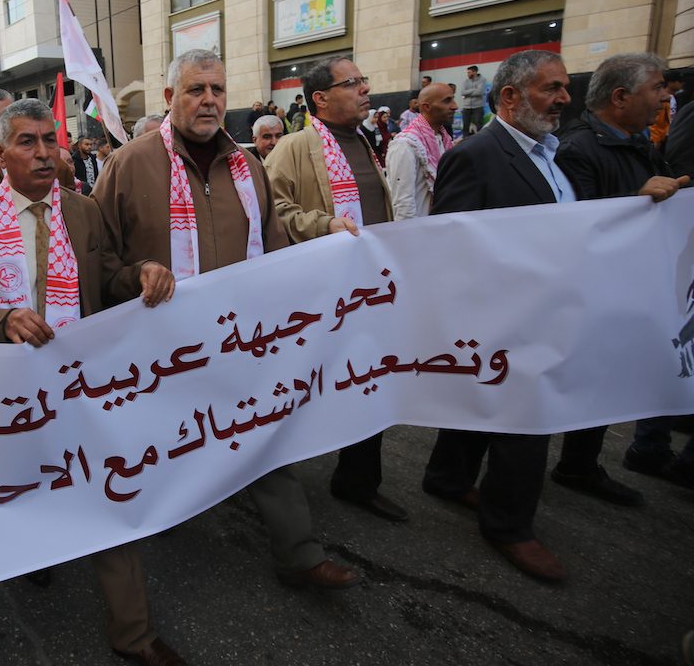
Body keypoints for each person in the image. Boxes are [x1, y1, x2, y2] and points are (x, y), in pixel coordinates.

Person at [95, 49, 360, 589]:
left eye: (217, 89)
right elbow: (96, 256)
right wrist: (136, 273)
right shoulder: (130, 164)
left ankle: (299, 554)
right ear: (170, 98)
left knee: (268, 438)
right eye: (196, 90)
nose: (209, 100)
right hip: (161, 350)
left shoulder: (249, 166)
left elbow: (277, 246)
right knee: (168, 443)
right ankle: (168, 509)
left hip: (243, 342)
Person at [0, 99, 183, 666]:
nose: (45, 152)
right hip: (8, 398)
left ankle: (134, 634)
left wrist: (141, 273)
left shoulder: (84, 212)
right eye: (27, 141)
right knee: (30, 493)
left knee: (111, 497)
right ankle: (37, 552)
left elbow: (111, 276)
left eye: (51, 139)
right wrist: (1, 320)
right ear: (0, 152)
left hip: (82, 388)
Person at [422, 49, 578, 582]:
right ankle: (509, 525)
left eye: (564, 87)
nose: (563, 98)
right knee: (527, 419)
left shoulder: (549, 153)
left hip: (545, 306)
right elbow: (448, 243)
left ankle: (447, 477)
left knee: (480, 400)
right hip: (504, 315)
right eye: (551, 88)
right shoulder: (477, 155)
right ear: (509, 97)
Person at [264, 57, 404, 523]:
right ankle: (264, 480)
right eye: (353, 83)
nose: (366, 89)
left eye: (364, 80)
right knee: (301, 390)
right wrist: (323, 225)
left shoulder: (364, 143)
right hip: (318, 298)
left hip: (368, 291)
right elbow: (270, 212)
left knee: (370, 383)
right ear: (320, 99)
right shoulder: (294, 147)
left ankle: (358, 481)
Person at [555, 53, 691, 494]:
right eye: (656, 88)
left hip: (635, 281)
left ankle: (585, 462)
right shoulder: (577, 148)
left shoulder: (637, 143)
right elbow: (574, 226)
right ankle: (577, 465)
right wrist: (637, 198)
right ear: (620, 96)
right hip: (598, 290)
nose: (665, 97)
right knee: (597, 377)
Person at [385, 83, 457, 221]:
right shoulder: (405, 144)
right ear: (426, 107)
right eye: (447, 101)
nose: (455, 106)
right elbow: (402, 202)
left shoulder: (443, 139)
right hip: (417, 230)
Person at [460, 66, 487, 136]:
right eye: (467, 72)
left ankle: (481, 139)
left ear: (475, 72)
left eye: (469, 72)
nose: (468, 74)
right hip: (466, 107)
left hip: (478, 106)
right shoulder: (465, 81)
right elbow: (462, 92)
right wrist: (474, 89)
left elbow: (480, 92)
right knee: (465, 125)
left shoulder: (482, 80)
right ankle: (465, 139)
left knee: (479, 124)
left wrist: (468, 93)